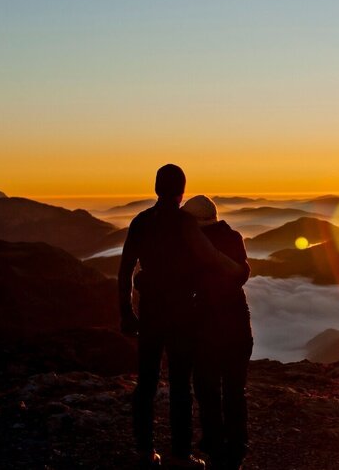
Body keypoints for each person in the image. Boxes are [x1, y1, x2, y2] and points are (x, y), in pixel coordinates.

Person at [118, 165, 245, 470]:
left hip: (149, 312)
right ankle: (180, 454)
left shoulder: (141, 221)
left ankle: (145, 451)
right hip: (181, 314)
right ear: (182, 191)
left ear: (156, 188)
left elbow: (125, 270)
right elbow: (209, 257)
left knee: (146, 382)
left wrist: (126, 312)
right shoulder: (185, 223)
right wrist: (238, 270)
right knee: (179, 384)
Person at [181, 195, 252, 470]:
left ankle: (214, 443)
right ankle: (237, 445)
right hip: (237, 322)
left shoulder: (192, 245)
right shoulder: (234, 237)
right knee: (235, 388)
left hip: (207, 323)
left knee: (207, 387)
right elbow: (241, 273)